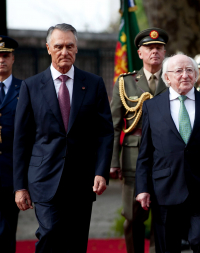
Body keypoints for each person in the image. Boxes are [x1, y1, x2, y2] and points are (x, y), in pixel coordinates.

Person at [13, 23, 114, 253]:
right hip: (44, 177)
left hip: (81, 179)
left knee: (76, 241)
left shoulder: (94, 84)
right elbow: (21, 139)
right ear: (48, 48)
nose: (64, 51)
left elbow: (105, 132)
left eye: (70, 46)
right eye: (58, 46)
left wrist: (101, 171)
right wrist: (20, 186)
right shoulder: (31, 86)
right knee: (50, 232)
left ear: (77, 49)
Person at [135, 53, 200, 253]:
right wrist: (142, 188)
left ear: (196, 76)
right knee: (167, 247)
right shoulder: (152, 107)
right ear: (167, 77)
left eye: (190, 70)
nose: (185, 75)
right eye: (178, 71)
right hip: (165, 190)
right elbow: (145, 153)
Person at [110, 27, 168, 253]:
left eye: (159, 48)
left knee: (162, 216)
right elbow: (113, 126)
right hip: (134, 156)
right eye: (149, 48)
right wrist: (113, 162)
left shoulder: (175, 80)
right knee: (133, 216)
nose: (155, 51)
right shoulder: (125, 83)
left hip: (166, 157)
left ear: (164, 53)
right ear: (140, 53)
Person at [0, 35, 21, 253]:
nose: (1, 60)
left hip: (10, 174)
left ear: (13, 58)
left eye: (5, 55)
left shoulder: (24, 90)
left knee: (7, 231)